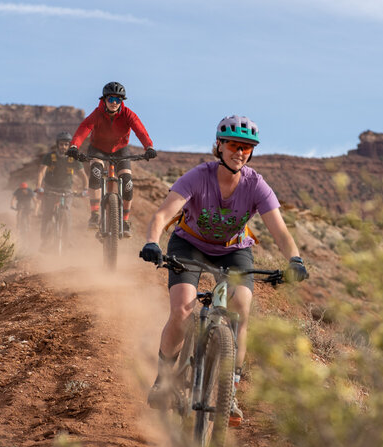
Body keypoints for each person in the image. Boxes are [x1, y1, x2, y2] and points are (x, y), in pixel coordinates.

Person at [139, 115, 308, 426]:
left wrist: (294, 259)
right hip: (189, 245)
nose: (239, 152)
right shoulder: (198, 177)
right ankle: (163, 380)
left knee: (241, 306)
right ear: (219, 145)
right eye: (233, 145)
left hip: (234, 251)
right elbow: (163, 213)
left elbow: (280, 232)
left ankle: (229, 391)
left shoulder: (256, 185)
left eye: (246, 147)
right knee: (182, 311)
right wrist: (152, 241)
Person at [66, 81, 157, 236]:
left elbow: (140, 130)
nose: (114, 103)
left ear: (121, 101)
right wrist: (74, 146)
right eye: (111, 99)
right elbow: (84, 128)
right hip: (98, 149)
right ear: (104, 99)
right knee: (95, 172)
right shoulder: (97, 113)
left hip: (120, 150)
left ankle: (125, 221)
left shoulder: (128, 114)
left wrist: (149, 147)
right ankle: (95, 215)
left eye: (118, 100)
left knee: (127, 181)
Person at [36, 132, 88, 243]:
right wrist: (39, 187)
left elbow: (83, 176)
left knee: (67, 212)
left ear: (69, 145)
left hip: (66, 190)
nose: (63, 147)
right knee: (47, 213)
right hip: (50, 189)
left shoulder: (73, 158)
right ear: (57, 145)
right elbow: (41, 172)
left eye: (66, 144)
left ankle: (67, 241)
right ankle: (44, 241)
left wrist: (85, 190)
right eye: (61, 144)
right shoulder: (50, 157)